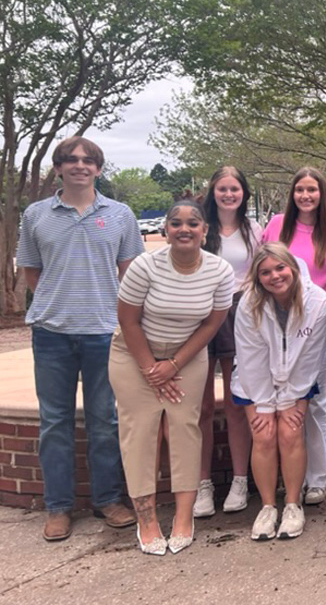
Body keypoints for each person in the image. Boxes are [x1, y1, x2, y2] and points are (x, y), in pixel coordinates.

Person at [17, 136, 141, 541]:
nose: (79, 165)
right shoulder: (36, 215)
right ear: (58, 168)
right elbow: (33, 274)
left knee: (104, 421)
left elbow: (132, 275)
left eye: (88, 160)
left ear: (99, 169)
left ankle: (108, 500)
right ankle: (58, 508)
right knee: (54, 423)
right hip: (51, 333)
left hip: (105, 333)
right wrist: (59, 299)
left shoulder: (120, 215)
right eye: (70, 160)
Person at [110, 199, 235, 555]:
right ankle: (146, 520)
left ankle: (183, 517)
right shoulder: (143, 267)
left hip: (188, 355)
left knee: (185, 429)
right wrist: (152, 369)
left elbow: (213, 322)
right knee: (139, 433)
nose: (184, 229)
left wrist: (174, 365)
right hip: (134, 354)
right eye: (176, 223)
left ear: (204, 231)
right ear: (165, 230)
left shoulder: (219, 271)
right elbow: (128, 320)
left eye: (193, 223)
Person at [232, 243, 326, 541]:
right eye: (265, 272)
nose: (274, 276)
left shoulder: (318, 302)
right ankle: (267, 507)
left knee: (290, 431)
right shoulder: (249, 302)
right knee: (263, 434)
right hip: (256, 381)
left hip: (298, 381)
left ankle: (292, 504)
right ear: (257, 277)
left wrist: (294, 399)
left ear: (292, 267)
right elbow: (251, 358)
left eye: (280, 268)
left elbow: (311, 356)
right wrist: (264, 404)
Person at [262, 167, 326, 506]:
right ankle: (288, 475)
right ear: (292, 194)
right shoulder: (276, 226)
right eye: (300, 190)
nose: (306, 196)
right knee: (280, 398)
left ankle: (317, 479)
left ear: (322, 194)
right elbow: (262, 269)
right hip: (277, 322)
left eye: (312, 190)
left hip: (322, 323)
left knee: (317, 400)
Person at [194, 166, 263, 518]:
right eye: (222, 188)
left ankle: (239, 480)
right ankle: (202, 485)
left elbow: (261, 273)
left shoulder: (254, 230)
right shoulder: (200, 228)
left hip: (240, 311)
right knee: (202, 406)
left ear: (243, 193)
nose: (228, 194)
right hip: (201, 313)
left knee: (237, 401)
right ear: (213, 192)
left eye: (234, 188)